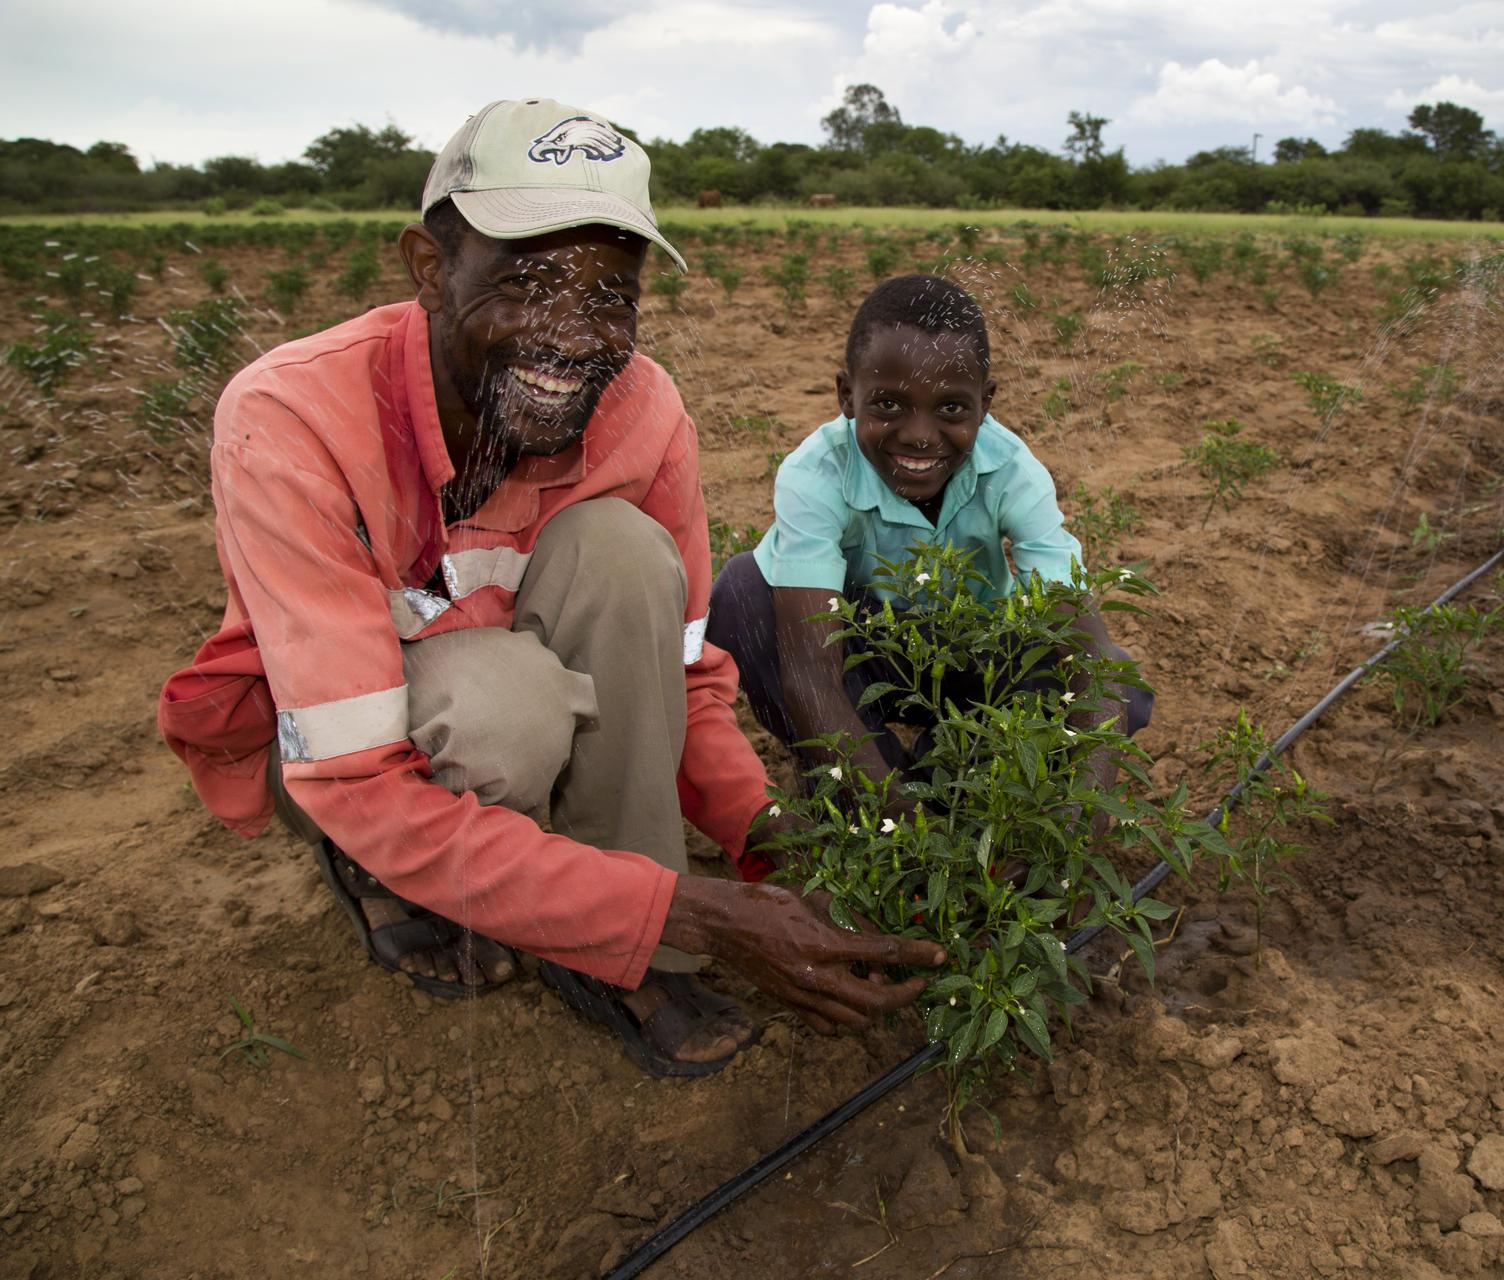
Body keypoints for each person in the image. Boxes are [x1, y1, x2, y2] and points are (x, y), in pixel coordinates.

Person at [156, 98, 941, 1078]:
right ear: (430, 269)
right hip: (345, 739)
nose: (573, 335)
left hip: (498, 679)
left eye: (611, 295)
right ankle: (387, 872)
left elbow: (686, 681)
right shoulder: (292, 416)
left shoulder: (643, 411)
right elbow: (360, 770)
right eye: (527, 280)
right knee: (502, 712)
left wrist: (769, 847)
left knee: (623, 553)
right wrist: (677, 902)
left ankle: (613, 943)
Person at [707, 274, 1152, 788]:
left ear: (985, 403)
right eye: (889, 405)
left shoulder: (1010, 471)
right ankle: (857, 777)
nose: (919, 436)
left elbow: (1086, 649)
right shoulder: (817, 473)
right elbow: (810, 668)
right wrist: (888, 804)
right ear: (847, 395)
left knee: (1113, 683)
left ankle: (957, 776)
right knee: (745, 594)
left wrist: (1084, 802)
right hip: (863, 652)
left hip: (976, 655)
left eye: (950, 408)